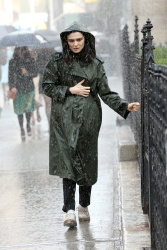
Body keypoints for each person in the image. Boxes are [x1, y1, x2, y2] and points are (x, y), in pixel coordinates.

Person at [42, 22, 140, 227]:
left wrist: (125, 106)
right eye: (71, 41)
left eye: (79, 40)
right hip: (63, 120)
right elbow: (47, 86)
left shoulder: (95, 64)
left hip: (88, 119)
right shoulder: (58, 62)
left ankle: (83, 205)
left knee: (86, 162)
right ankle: (68, 210)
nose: (75, 44)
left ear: (86, 40)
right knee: (67, 163)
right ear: (65, 42)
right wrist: (70, 90)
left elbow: (105, 92)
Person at [8, 46, 38, 141]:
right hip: (18, 89)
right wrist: (12, 87)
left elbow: (35, 73)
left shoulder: (31, 60)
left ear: (25, 50)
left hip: (29, 88)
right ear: (16, 50)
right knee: (19, 111)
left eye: (22, 49)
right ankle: (21, 129)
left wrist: (27, 73)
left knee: (28, 109)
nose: (20, 51)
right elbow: (10, 76)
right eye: (18, 49)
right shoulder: (12, 62)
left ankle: (28, 124)